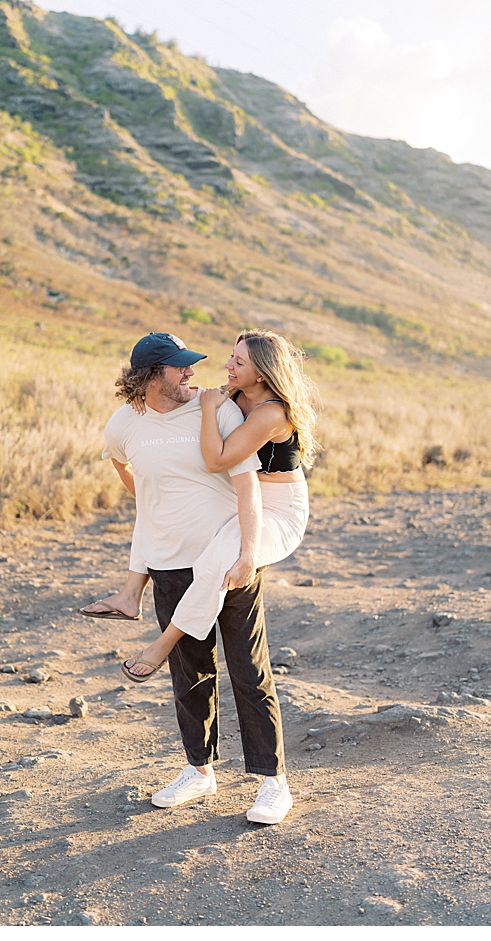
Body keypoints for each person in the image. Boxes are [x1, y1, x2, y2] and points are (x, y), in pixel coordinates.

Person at [89, 332, 292, 825]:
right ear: (152, 375)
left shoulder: (219, 411)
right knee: (189, 674)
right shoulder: (125, 424)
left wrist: (247, 553)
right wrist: (152, 505)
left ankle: (273, 783)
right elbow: (121, 463)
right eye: (179, 367)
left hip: (226, 560)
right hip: (170, 563)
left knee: (248, 668)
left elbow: (248, 488)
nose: (191, 374)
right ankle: (199, 772)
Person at [122, 329, 317, 687]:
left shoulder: (272, 412)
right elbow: (180, 395)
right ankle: (129, 594)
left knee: (220, 556)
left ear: (261, 373)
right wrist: (141, 398)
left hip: (280, 510)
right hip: (243, 497)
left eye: (238, 362)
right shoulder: (234, 393)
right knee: (160, 507)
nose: (227, 364)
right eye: (231, 355)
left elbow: (217, 460)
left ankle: (163, 644)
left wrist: (211, 408)